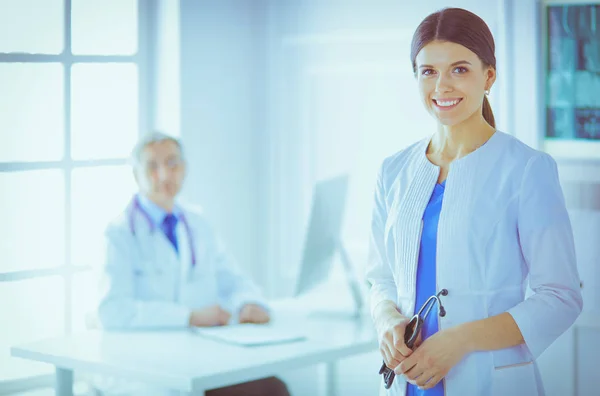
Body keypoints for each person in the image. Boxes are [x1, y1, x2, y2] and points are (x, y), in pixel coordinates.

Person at [365, 7, 582, 396]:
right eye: (428, 71)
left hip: (489, 380)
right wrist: (385, 320)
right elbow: (380, 277)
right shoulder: (392, 171)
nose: (442, 86)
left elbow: (560, 297)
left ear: (489, 76)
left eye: (460, 69)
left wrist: (459, 341)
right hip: (408, 381)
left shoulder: (528, 169)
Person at [95, 131, 289, 396]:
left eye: (173, 163)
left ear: (185, 169)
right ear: (136, 174)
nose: (164, 175)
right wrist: (189, 317)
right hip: (144, 370)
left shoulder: (198, 224)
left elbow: (232, 279)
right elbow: (112, 310)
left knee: (272, 388)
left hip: (199, 359)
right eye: (152, 166)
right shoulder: (118, 234)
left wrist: (248, 303)